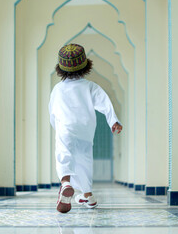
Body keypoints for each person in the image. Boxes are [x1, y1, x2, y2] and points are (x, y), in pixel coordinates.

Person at [49, 43, 123, 213]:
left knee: (63, 154)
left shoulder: (58, 89)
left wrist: (57, 128)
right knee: (84, 162)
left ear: (60, 68)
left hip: (65, 128)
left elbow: (52, 112)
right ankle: (88, 196)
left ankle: (66, 183)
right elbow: (105, 103)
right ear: (85, 66)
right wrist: (113, 121)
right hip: (85, 131)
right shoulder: (90, 86)